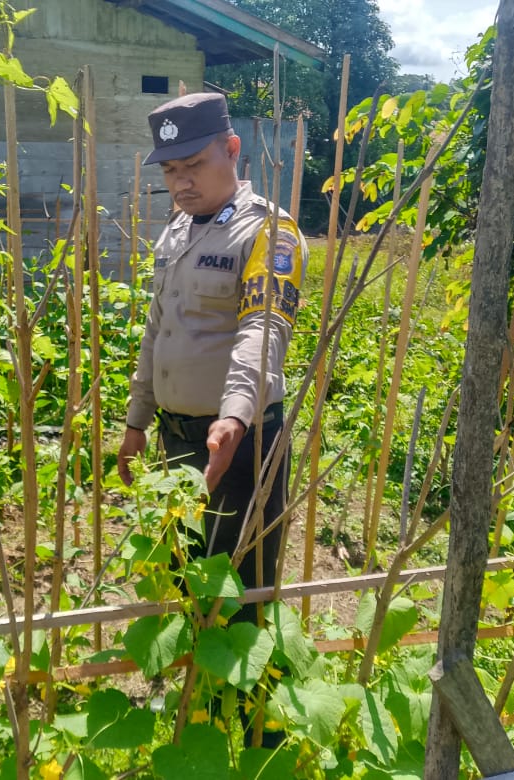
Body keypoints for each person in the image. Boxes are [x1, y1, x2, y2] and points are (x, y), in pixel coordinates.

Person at [117, 92, 307, 624]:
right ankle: (194, 693)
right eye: (172, 169)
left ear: (232, 149)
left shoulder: (270, 232)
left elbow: (263, 328)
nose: (181, 182)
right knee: (184, 567)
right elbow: (159, 330)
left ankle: (242, 702)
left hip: (239, 443)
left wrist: (234, 416)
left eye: (195, 165)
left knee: (237, 584)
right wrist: (138, 420)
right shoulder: (178, 231)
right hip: (177, 438)